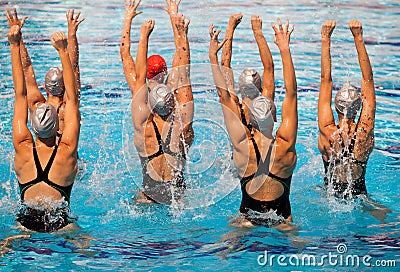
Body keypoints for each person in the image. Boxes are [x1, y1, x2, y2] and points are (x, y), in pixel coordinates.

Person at [209, 17, 297, 227]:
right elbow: (291, 93)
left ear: (249, 119)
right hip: (283, 221)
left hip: (246, 218)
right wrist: (283, 47)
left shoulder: (241, 142)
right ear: (275, 117)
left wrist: (212, 54)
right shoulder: (285, 145)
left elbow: (223, 93)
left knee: (226, 248)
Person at [7, 8, 80, 232]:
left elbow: (20, 91)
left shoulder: (22, 145)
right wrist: (63, 50)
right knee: (87, 245)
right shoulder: (67, 148)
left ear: (32, 126)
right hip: (61, 224)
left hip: (24, 223)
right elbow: (73, 93)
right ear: (58, 125)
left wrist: (15, 44)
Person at [121, 0, 194, 204]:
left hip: (147, 195)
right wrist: (177, 22)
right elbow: (182, 62)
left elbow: (126, 56)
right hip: (177, 197)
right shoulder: (179, 110)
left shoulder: (141, 107)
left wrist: (132, 24)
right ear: (165, 72)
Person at [318, 20, 375, 198]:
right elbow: (368, 80)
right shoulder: (365, 131)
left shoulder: (328, 131)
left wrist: (326, 38)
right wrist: (358, 37)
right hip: (360, 196)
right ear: (358, 107)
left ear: (335, 107)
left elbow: (325, 79)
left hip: (329, 198)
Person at [20, 9, 84, 135]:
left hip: (39, 153)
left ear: (45, 87)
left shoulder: (36, 105)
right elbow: (74, 67)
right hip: (66, 153)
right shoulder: (68, 107)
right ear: (65, 85)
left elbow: (26, 70)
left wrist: (18, 41)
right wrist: (72, 34)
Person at [220, 14, 277, 125]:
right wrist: (258, 32)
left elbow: (225, 65)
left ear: (239, 89)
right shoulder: (264, 108)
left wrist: (230, 28)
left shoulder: (234, 108)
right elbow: (269, 68)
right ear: (261, 89)